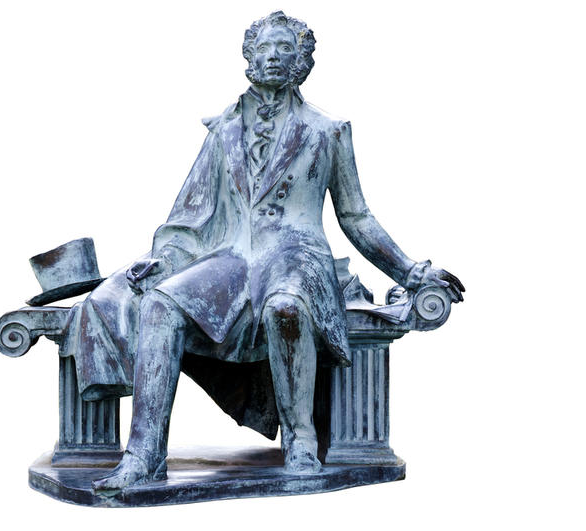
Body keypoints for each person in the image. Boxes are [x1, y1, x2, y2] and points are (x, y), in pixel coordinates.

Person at [59, 11, 464, 490]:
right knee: (160, 304)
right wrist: (165, 261)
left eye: (285, 49)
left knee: (285, 307)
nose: (273, 56)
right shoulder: (223, 131)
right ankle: (143, 455)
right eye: (264, 49)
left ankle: (300, 438)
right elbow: (190, 213)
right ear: (249, 58)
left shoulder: (327, 130)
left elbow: (356, 216)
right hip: (233, 259)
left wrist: (411, 272)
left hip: (297, 255)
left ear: (302, 62)